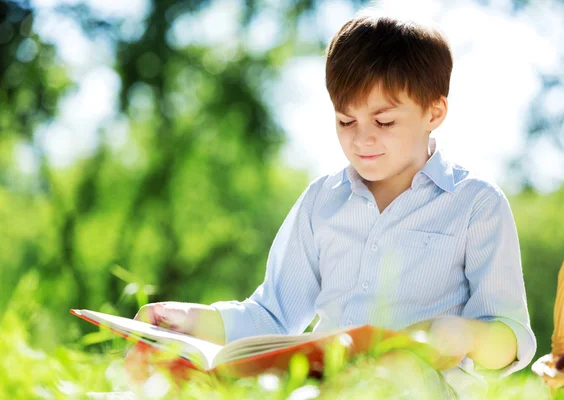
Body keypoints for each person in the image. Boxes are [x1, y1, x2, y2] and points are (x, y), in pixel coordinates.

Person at [125, 10, 536, 399]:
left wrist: (464, 335)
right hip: (327, 385)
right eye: (346, 121)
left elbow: (511, 335)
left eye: (384, 121)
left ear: (434, 111)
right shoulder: (323, 201)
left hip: (422, 386)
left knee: (393, 371)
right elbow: (272, 315)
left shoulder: (476, 203)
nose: (362, 139)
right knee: (175, 370)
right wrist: (187, 320)